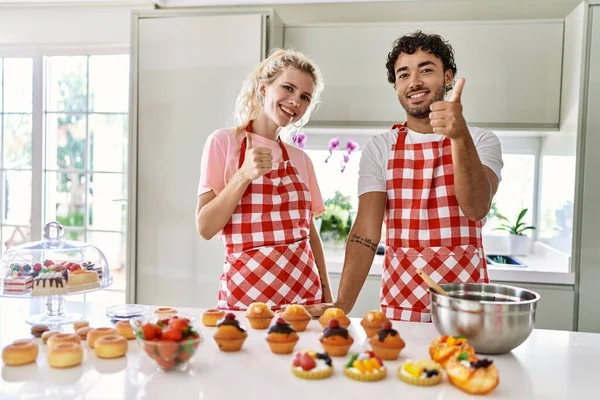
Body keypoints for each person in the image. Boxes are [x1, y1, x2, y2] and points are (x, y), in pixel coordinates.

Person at [307, 31, 503, 322]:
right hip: (401, 306)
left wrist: (459, 137)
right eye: (404, 74)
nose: (414, 82)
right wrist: (343, 303)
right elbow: (366, 230)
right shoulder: (381, 147)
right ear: (396, 86)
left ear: (448, 77)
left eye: (426, 70)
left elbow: (476, 208)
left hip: (464, 306)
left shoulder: (480, 140)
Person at [195, 49, 333, 311]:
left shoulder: (301, 159)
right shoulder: (224, 143)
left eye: (305, 97)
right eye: (288, 88)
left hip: (304, 298)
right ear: (263, 88)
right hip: (246, 300)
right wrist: (244, 175)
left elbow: (309, 235)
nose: (295, 101)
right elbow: (205, 227)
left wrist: (328, 298)